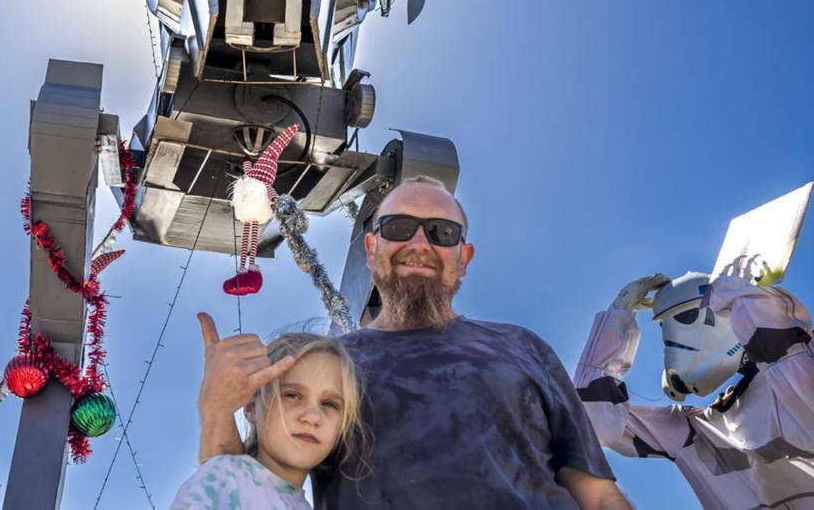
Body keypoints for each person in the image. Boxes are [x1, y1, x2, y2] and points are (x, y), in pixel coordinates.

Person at [197, 177, 629, 508]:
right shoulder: (326, 371)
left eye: (442, 232)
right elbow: (252, 488)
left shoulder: (524, 348)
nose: (419, 243)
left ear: (465, 258)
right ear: (372, 248)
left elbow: (598, 495)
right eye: (399, 227)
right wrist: (216, 411)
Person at [573, 262, 814, 508]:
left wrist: (738, 294)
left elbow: (786, 351)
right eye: (665, 330)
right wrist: (617, 319)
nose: (673, 341)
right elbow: (592, 426)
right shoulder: (698, 432)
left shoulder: (798, 364)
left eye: (685, 318)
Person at [172, 333, 367, 509]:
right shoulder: (225, 477)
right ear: (251, 407)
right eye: (292, 395)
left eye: (330, 404)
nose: (313, 417)